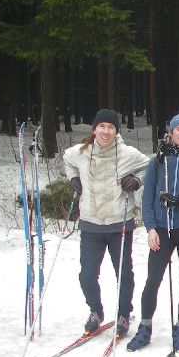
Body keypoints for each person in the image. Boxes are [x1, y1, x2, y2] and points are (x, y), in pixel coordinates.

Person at [127, 114, 179, 352]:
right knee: (153, 279)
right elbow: (147, 199)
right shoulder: (157, 162)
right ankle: (145, 328)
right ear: (171, 132)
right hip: (162, 229)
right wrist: (150, 228)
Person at [63, 109, 149, 337]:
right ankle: (96, 311)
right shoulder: (80, 152)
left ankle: (123, 314)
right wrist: (73, 177)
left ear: (116, 131)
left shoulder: (127, 153)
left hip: (119, 223)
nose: (106, 131)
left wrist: (137, 180)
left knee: (124, 274)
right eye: (101, 126)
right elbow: (66, 159)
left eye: (111, 127)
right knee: (87, 275)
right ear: (94, 129)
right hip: (90, 223)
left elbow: (149, 165)